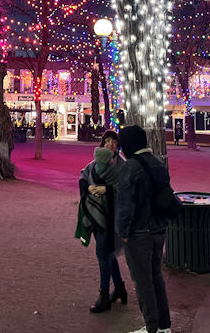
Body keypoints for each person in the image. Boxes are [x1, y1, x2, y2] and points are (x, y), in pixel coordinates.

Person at [116, 125, 171, 333]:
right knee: (156, 276)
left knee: (143, 282)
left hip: (139, 232)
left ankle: (151, 327)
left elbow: (125, 204)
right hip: (158, 228)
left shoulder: (130, 167)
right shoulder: (158, 162)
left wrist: (123, 233)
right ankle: (164, 326)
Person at [79, 130, 126, 314]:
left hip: (111, 216)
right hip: (95, 215)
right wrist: (87, 187)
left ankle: (104, 295)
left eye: (113, 141)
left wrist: (107, 190)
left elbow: (125, 188)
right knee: (108, 253)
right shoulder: (94, 164)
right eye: (106, 141)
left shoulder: (122, 165)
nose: (109, 144)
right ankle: (120, 288)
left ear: (117, 145)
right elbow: (83, 175)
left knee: (102, 254)